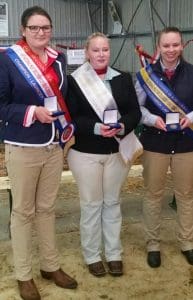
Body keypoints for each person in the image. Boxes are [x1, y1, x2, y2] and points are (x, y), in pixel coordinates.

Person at [0, 6, 77, 300]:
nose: (40, 32)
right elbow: (1, 105)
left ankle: (50, 265)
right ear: (23, 30)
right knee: (22, 212)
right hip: (23, 147)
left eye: (45, 27)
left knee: (47, 209)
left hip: (53, 146)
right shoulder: (7, 61)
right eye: (34, 28)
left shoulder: (58, 60)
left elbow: (64, 97)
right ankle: (23, 274)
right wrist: (32, 111)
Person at [66, 32, 141, 277]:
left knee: (112, 203)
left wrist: (122, 126)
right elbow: (73, 117)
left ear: (110, 51)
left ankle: (114, 253)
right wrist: (97, 128)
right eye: (96, 50)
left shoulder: (123, 78)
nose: (101, 54)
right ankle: (91, 255)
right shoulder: (75, 81)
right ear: (87, 53)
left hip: (116, 150)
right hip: (85, 152)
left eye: (105, 50)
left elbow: (134, 113)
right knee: (91, 205)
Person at [135, 27, 193, 268]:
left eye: (175, 45)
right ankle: (153, 244)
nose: (171, 50)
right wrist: (150, 119)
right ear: (158, 47)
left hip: (186, 142)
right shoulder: (144, 75)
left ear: (182, 46)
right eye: (166, 45)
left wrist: (191, 117)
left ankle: (187, 242)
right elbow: (138, 108)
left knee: (186, 195)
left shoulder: (192, 73)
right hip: (155, 142)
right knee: (153, 194)